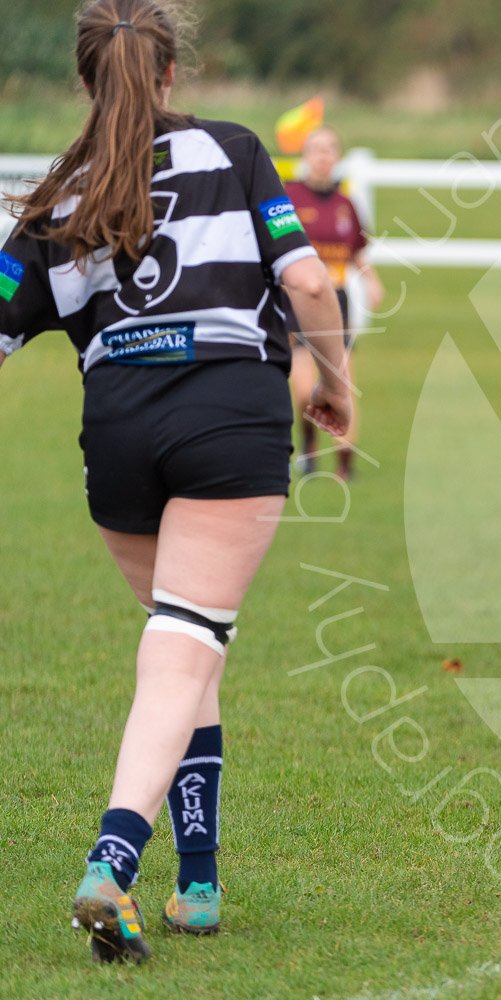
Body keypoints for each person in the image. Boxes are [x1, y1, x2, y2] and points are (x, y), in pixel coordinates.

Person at [0, 0, 350, 963]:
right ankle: (114, 862)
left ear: (84, 81)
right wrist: (341, 387)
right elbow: (311, 285)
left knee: (184, 644)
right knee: (187, 642)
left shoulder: (52, 200)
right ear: (168, 74)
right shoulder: (234, 151)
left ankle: (198, 884)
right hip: (228, 418)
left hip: (116, 432)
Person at [285, 125, 383, 480]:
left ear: (337, 156)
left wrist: (371, 280)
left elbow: (358, 251)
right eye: (316, 149)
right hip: (295, 300)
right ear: (305, 155)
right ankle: (309, 445)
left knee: (343, 381)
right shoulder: (289, 196)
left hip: (336, 300)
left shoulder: (345, 204)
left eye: (329, 149)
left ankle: (345, 464)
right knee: (302, 387)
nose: (323, 156)